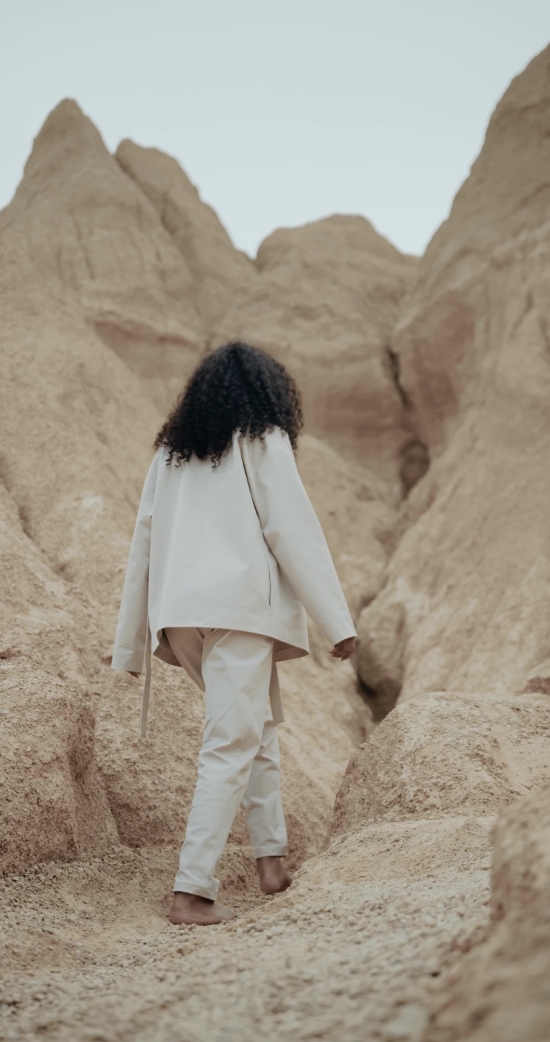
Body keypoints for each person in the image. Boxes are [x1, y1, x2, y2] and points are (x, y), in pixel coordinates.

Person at [111, 342, 356, 926]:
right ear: (269, 393)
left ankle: (271, 861)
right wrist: (337, 622)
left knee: (254, 728)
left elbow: (144, 542)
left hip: (182, 617)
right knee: (229, 744)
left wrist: (131, 642)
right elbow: (290, 527)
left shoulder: (171, 452)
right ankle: (191, 891)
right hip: (239, 610)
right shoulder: (263, 437)